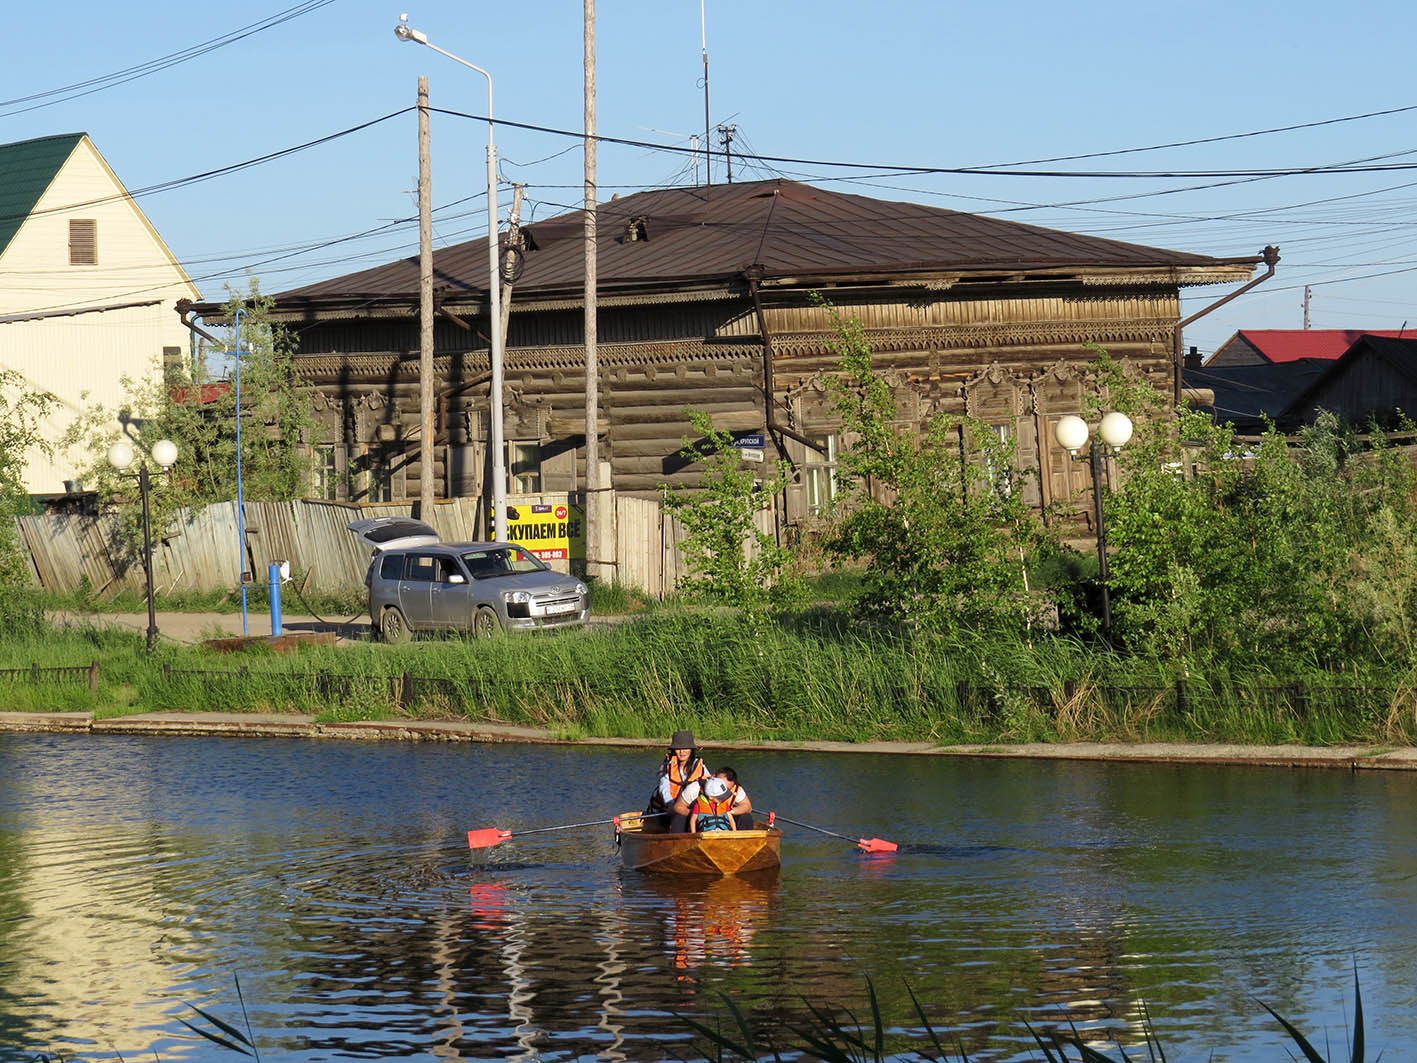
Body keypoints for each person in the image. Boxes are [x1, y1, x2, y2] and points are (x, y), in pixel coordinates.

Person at [645, 729, 708, 833]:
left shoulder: (700, 766)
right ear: (674, 750)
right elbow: (664, 788)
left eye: (685, 748)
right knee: (679, 816)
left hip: (690, 807)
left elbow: (709, 784)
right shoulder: (667, 766)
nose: (682, 752)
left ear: (691, 750)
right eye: (678, 748)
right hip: (669, 808)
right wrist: (671, 804)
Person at [715, 766, 755, 830]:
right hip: (706, 817)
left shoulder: (736, 790)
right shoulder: (698, 787)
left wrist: (730, 812)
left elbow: (748, 807)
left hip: (726, 817)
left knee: (745, 817)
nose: (722, 791)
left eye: (727, 789)